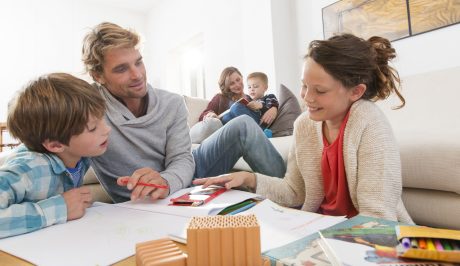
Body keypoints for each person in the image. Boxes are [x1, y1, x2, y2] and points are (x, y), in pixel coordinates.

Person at [194, 33, 414, 223]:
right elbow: (294, 191)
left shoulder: (370, 124)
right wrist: (249, 179)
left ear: (355, 92)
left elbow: (378, 220)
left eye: (319, 90)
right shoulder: (305, 125)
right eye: (304, 85)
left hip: (362, 240)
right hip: (313, 226)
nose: (307, 97)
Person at [82, 22, 286, 203]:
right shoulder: (85, 107)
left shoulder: (171, 103)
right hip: (142, 200)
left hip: (189, 170)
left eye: (138, 62)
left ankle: (289, 197)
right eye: (121, 69)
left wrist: (165, 181)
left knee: (244, 124)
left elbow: (181, 159)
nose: (137, 75)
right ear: (97, 75)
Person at [0, 73, 110, 238]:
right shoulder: (28, 169)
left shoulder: (80, 155)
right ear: (56, 145)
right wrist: (59, 208)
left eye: (102, 119)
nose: (107, 129)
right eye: (93, 128)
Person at [190, 67, 279, 143]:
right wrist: (211, 114)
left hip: (252, 122)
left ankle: (258, 132)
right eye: (232, 83)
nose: (237, 85)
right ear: (226, 86)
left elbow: (267, 101)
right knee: (225, 118)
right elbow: (204, 114)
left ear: (241, 77)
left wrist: (274, 108)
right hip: (235, 132)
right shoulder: (220, 97)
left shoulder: (251, 97)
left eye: (238, 80)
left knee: (236, 107)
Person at [220, 72, 279, 137]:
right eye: (249, 87)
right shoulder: (249, 99)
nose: (252, 89)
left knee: (236, 107)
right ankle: (242, 134)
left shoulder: (269, 97)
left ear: (265, 88)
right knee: (226, 117)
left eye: (255, 86)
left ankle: (259, 132)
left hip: (259, 121)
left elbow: (273, 107)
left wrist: (261, 106)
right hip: (248, 121)